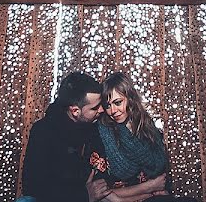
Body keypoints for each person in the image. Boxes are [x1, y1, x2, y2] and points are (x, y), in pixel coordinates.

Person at [19, 71, 167, 202]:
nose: (104, 110)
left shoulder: (91, 126)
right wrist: (84, 196)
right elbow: (34, 187)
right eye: (96, 107)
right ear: (75, 111)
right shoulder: (44, 132)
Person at [89, 72, 197, 202]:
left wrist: (153, 191)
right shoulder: (102, 131)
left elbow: (161, 172)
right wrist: (149, 187)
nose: (113, 111)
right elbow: (101, 194)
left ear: (130, 97)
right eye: (108, 105)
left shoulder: (145, 123)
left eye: (118, 102)